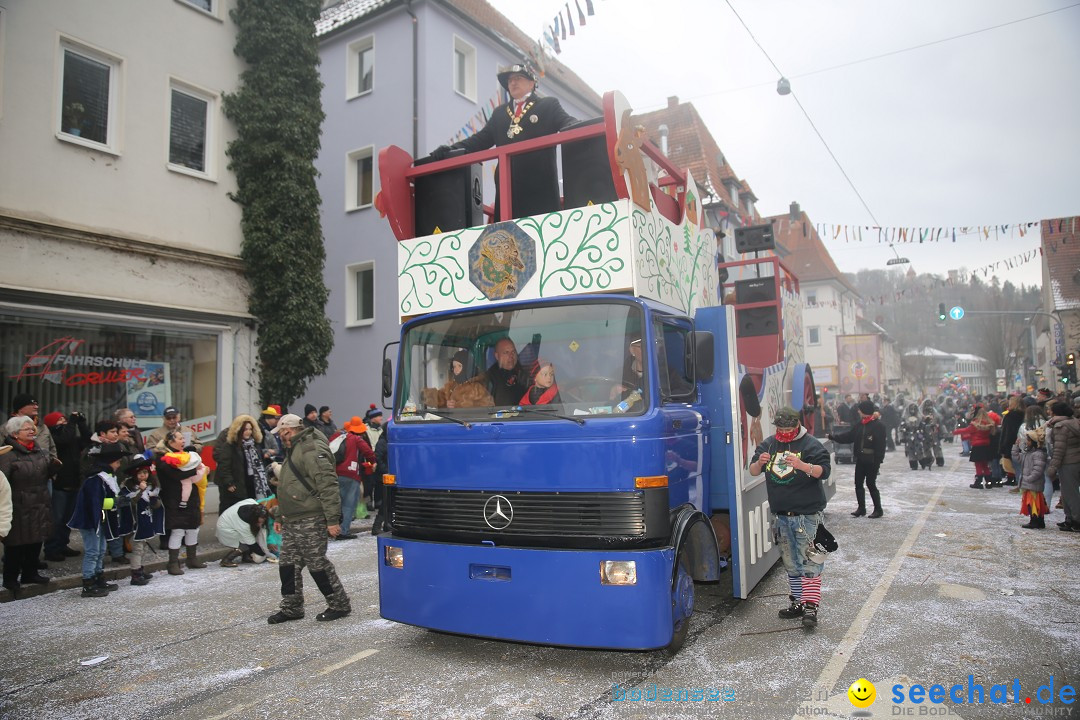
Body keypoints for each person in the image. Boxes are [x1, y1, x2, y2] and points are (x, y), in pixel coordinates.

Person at [431, 62, 577, 220]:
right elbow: (478, 141)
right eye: (510, 80)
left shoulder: (548, 105)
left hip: (540, 191)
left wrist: (588, 126)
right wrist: (451, 149)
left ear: (532, 82)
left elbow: (568, 122)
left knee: (544, 240)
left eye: (518, 78)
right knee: (508, 242)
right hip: (507, 193)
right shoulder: (500, 114)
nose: (513, 82)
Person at [750, 406, 831, 628]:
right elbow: (753, 471)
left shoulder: (811, 444)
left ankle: (811, 606)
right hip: (781, 515)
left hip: (807, 515)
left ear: (797, 425)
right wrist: (760, 463)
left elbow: (824, 471)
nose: (784, 431)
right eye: (780, 428)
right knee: (790, 561)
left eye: (788, 427)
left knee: (810, 561)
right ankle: (797, 601)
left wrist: (802, 465)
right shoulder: (769, 444)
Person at [267, 414, 352, 623]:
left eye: (281, 434)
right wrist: (280, 515)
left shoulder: (310, 449)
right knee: (288, 564)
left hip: (310, 518)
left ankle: (339, 604)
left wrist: (332, 520)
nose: (280, 438)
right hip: (293, 518)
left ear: (288, 430)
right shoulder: (296, 447)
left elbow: (327, 484)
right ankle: (291, 607)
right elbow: (290, 484)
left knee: (317, 563)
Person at [0, 416, 53, 596]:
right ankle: (10, 578)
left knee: (36, 538)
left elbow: (46, 474)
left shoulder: (39, 451)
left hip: (40, 499)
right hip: (18, 502)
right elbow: (3, 482)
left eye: (32, 428)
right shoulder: (7, 455)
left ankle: (30, 573)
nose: (32, 431)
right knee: (15, 543)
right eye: (26, 429)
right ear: (15, 434)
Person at [67, 442, 128, 597]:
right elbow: (96, 503)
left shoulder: (105, 477)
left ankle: (98, 578)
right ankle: (88, 584)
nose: (119, 465)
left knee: (100, 551)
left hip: (99, 519)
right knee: (93, 551)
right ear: (109, 462)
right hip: (90, 521)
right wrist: (115, 502)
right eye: (117, 462)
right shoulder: (96, 479)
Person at [154, 430, 209, 575]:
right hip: (174, 498)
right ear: (170, 442)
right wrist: (195, 470)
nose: (183, 441)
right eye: (179, 438)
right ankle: (173, 563)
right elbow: (175, 475)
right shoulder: (163, 459)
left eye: (183, 438)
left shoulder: (186, 455)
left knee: (193, 528)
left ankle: (192, 558)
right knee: (178, 530)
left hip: (192, 497)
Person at [42, 411, 90, 561]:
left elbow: (87, 440)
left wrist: (81, 422)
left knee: (68, 519)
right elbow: (65, 438)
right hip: (59, 484)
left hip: (74, 483)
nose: (64, 422)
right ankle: (52, 548)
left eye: (65, 419)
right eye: (60, 420)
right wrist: (72, 422)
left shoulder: (71, 437)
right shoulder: (53, 437)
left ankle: (63, 544)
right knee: (57, 519)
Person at [828, 399, 886, 518]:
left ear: (865, 411)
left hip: (872, 460)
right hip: (860, 459)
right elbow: (849, 436)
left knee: (871, 484)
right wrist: (833, 437)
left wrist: (878, 460)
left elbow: (881, 445)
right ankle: (861, 508)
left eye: (860, 409)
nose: (858, 411)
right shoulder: (860, 424)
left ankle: (878, 509)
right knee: (858, 484)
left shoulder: (878, 426)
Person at [117, 456, 164, 585]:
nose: (144, 475)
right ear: (135, 475)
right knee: (137, 549)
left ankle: (140, 570)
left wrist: (155, 500)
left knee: (144, 548)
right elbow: (129, 503)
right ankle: (135, 574)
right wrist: (140, 491)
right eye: (140, 473)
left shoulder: (151, 487)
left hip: (146, 522)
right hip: (135, 524)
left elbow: (156, 506)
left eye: (145, 472)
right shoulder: (128, 488)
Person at [213, 414, 271, 514]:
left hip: (251, 482)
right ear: (239, 429)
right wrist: (229, 482)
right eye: (245, 429)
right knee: (231, 510)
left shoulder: (254, 444)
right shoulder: (230, 445)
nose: (248, 432)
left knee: (250, 509)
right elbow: (224, 464)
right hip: (234, 484)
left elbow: (260, 463)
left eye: (250, 429)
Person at [334, 416, 376, 540]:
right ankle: (343, 531)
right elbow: (369, 453)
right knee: (348, 504)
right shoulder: (357, 439)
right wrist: (372, 461)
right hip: (351, 474)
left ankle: (334, 529)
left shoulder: (339, 437)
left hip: (335, 474)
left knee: (337, 503)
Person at [1046, 401, 1080, 532]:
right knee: (1068, 492)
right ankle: (1070, 518)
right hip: (1075, 459)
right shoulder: (1074, 422)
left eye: (1050, 410)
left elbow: (1059, 449)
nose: (1048, 412)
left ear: (1055, 412)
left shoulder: (1060, 426)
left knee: (1070, 493)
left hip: (1067, 462)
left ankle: (1076, 520)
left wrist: (1053, 467)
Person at [1012, 420, 1048, 530]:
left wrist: (1029, 478)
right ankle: (1037, 521)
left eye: (1028, 440)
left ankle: (1036, 521)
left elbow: (1038, 470)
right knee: (1032, 503)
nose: (1026, 442)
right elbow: (1017, 458)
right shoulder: (1028, 453)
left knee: (1035, 503)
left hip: (1033, 483)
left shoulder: (1038, 454)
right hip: (1029, 483)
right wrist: (1015, 447)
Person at [216, 498, 270, 568]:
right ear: (254, 518)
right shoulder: (243, 525)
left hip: (228, 521)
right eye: (259, 522)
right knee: (245, 544)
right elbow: (251, 543)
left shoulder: (253, 505)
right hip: (225, 529)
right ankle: (226, 560)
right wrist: (263, 554)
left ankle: (245, 557)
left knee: (248, 538)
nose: (260, 524)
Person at [479, 337, 531, 406]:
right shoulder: (489, 378)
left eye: (513, 352)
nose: (511, 356)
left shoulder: (524, 374)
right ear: (497, 356)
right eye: (506, 352)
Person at [954, 406, 996, 489]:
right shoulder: (989, 423)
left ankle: (978, 482)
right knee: (985, 465)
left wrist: (955, 432)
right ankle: (989, 482)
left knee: (978, 465)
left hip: (977, 446)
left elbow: (966, 430)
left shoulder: (975, 424)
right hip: (986, 446)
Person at [998, 396, 1025, 486]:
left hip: (1011, 443)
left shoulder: (1010, 416)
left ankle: (1019, 484)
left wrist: (1003, 446)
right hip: (1021, 441)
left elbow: (1007, 432)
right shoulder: (1024, 414)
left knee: (1015, 465)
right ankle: (1020, 483)